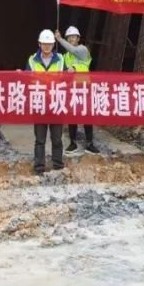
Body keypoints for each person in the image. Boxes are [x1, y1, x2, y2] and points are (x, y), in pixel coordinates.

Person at [27, 29, 67, 175]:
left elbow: (67, 79)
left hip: (56, 104)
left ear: (53, 44)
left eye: (49, 44)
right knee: (40, 139)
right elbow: (27, 80)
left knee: (57, 138)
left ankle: (58, 165)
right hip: (39, 104)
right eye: (44, 44)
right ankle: (39, 167)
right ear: (39, 44)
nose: (47, 47)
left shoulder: (61, 60)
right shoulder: (32, 60)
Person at [56, 26, 99, 154]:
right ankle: (72, 143)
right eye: (69, 37)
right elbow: (63, 71)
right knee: (72, 116)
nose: (71, 39)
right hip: (72, 88)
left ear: (78, 38)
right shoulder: (65, 56)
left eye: (73, 37)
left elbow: (75, 54)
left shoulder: (83, 49)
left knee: (87, 115)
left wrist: (59, 39)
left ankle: (90, 143)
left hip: (84, 86)